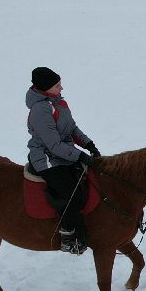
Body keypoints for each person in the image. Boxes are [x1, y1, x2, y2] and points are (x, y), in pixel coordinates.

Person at [26, 66, 101, 254]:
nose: (61, 88)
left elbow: (72, 129)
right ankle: (68, 235)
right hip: (47, 159)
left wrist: (88, 144)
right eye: (57, 85)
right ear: (46, 88)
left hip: (63, 154)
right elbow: (53, 145)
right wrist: (79, 155)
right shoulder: (40, 110)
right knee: (73, 194)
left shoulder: (58, 102)